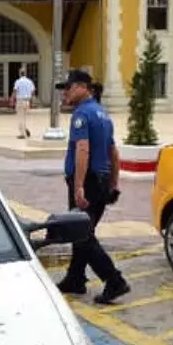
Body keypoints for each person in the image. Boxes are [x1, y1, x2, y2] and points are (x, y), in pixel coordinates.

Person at [55, 70, 130, 305]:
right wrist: (114, 183)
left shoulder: (82, 115)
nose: (65, 93)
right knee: (83, 232)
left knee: (81, 234)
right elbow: (113, 152)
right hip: (101, 180)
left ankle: (114, 280)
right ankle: (75, 278)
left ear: (82, 87)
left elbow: (82, 149)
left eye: (68, 88)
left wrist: (78, 187)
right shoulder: (102, 114)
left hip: (87, 181)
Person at [11, 68, 36, 139]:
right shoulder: (30, 81)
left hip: (20, 101)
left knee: (20, 117)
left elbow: (15, 91)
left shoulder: (18, 81)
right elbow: (33, 92)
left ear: (20, 73)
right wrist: (32, 101)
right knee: (24, 117)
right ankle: (25, 129)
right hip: (27, 101)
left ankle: (23, 133)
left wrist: (12, 99)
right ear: (25, 73)